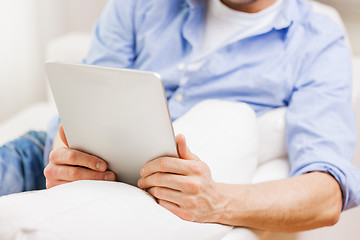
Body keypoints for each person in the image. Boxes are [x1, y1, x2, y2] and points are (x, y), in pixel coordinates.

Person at [1, 0, 360, 233]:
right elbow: (84, 97)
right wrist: (66, 153)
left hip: (149, 193)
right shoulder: (142, 6)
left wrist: (218, 202)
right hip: (46, 160)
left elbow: (328, 194)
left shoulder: (315, 39)